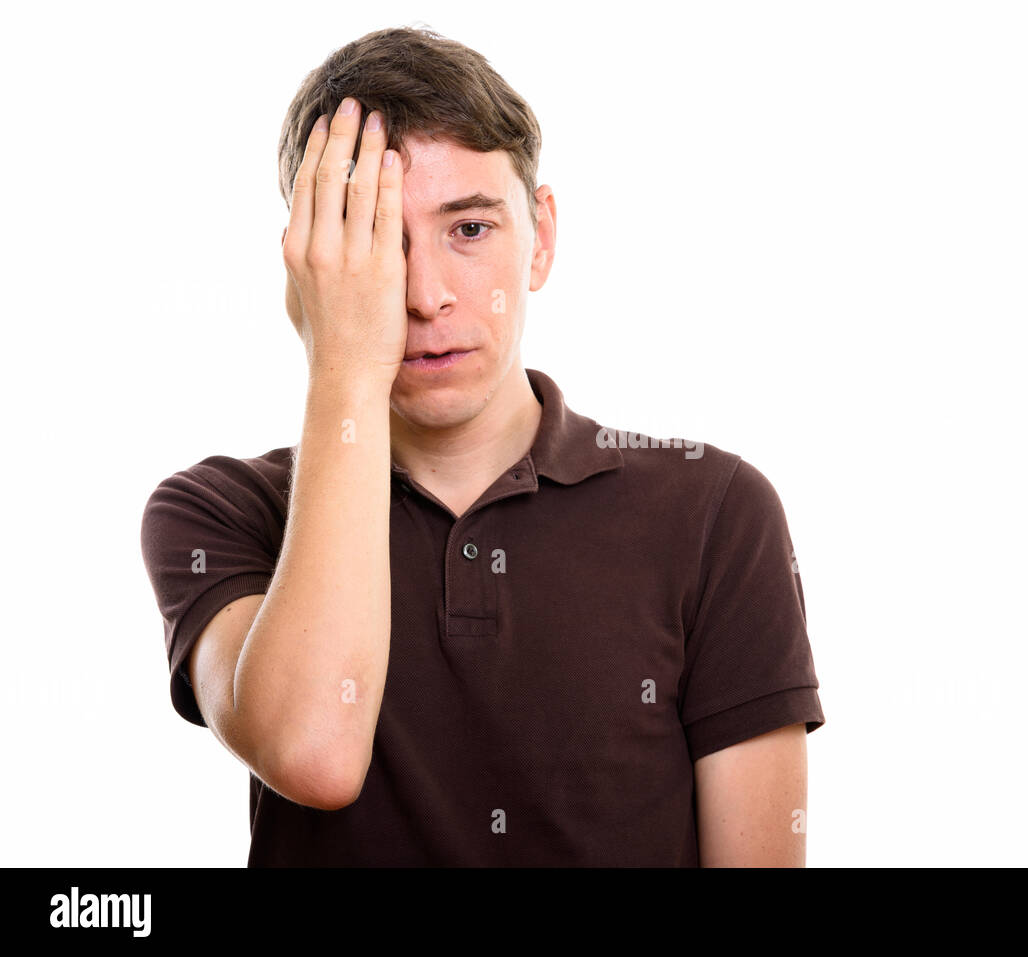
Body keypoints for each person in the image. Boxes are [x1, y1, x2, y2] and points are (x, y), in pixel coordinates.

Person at [140, 25, 825, 866]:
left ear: (539, 235)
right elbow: (314, 751)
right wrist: (345, 366)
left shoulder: (716, 511)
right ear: (313, 265)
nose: (426, 296)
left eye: (468, 230)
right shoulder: (220, 511)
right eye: (377, 240)